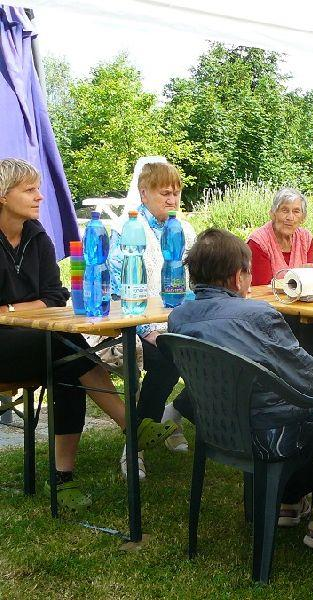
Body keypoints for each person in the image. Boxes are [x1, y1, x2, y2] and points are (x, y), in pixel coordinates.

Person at [0, 158, 174, 509]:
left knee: (66, 359)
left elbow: (54, 296)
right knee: (64, 347)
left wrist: (10, 310)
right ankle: (128, 426)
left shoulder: (37, 237)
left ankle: (67, 476)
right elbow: (44, 302)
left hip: (36, 341)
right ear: (3, 195)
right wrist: (26, 309)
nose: (40, 197)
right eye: (30, 190)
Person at [167, 228, 313, 550]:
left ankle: (289, 501)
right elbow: (307, 377)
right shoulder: (258, 315)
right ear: (238, 277)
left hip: (218, 428)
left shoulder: (178, 318)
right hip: (269, 435)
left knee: (293, 403)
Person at [108, 160, 197, 478]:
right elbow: (119, 288)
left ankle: (174, 414)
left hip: (178, 320)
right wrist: (147, 329)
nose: (172, 199)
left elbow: (197, 282)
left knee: (226, 353)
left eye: (176, 193)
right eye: (164, 193)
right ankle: (135, 447)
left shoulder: (185, 230)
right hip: (134, 323)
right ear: (144, 194)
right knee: (165, 360)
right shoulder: (126, 229)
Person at [247, 187, 313, 286]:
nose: (290, 217)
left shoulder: (306, 238)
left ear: (303, 217)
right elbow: (261, 287)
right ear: (273, 214)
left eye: (296, 211)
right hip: (266, 300)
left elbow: (308, 281)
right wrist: (299, 272)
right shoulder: (258, 242)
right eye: (284, 210)